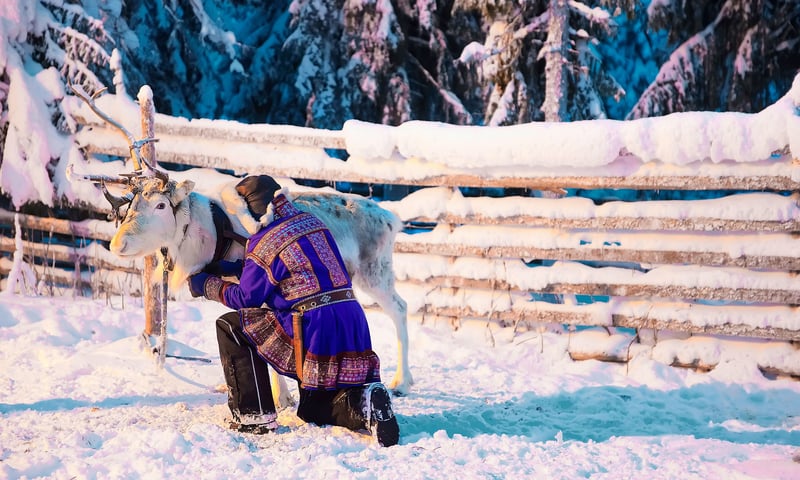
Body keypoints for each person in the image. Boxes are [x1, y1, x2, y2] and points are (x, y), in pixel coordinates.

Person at [187, 175, 400, 447]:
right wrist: (234, 269)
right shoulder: (312, 222)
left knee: (231, 327)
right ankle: (364, 403)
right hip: (350, 318)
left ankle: (254, 415)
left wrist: (206, 284)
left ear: (250, 212)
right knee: (312, 409)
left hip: (312, 325)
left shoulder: (265, 241)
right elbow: (294, 269)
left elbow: (247, 297)